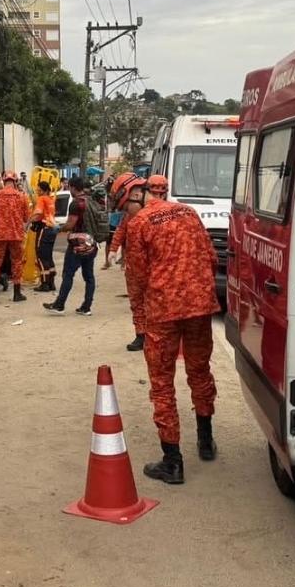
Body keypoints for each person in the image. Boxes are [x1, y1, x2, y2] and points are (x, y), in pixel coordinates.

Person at [122, 175, 220, 485]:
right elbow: (212, 257)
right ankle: (206, 440)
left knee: (162, 383)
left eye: (125, 206)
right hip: (200, 306)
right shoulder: (189, 212)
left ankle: (172, 462)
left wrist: (140, 319)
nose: (126, 212)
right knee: (200, 371)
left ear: (136, 196)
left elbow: (137, 277)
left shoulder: (139, 224)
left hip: (163, 311)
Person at [107, 172, 149, 351]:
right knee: (137, 304)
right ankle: (141, 335)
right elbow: (120, 231)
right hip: (133, 269)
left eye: (126, 206)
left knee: (154, 304)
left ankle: (155, 337)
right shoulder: (129, 217)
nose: (125, 209)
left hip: (153, 270)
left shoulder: (155, 216)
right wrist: (112, 250)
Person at [43, 177, 96, 316]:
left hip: (77, 243)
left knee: (68, 274)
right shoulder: (90, 200)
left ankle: (59, 305)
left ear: (72, 187)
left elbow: (71, 224)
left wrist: (59, 228)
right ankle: (86, 307)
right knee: (89, 276)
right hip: (91, 242)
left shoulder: (75, 203)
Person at [0, 170, 30, 303]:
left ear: (4, 181)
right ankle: (17, 293)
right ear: (15, 182)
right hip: (16, 235)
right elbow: (26, 217)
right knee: (16, 262)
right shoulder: (22, 196)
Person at [30, 180, 58, 292]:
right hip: (52, 229)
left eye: (39, 190)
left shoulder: (42, 199)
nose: (37, 192)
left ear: (44, 190)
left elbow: (38, 213)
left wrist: (28, 222)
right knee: (48, 256)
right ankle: (51, 282)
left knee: (41, 256)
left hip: (44, 229)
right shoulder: (51, 199)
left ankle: (44, 283)